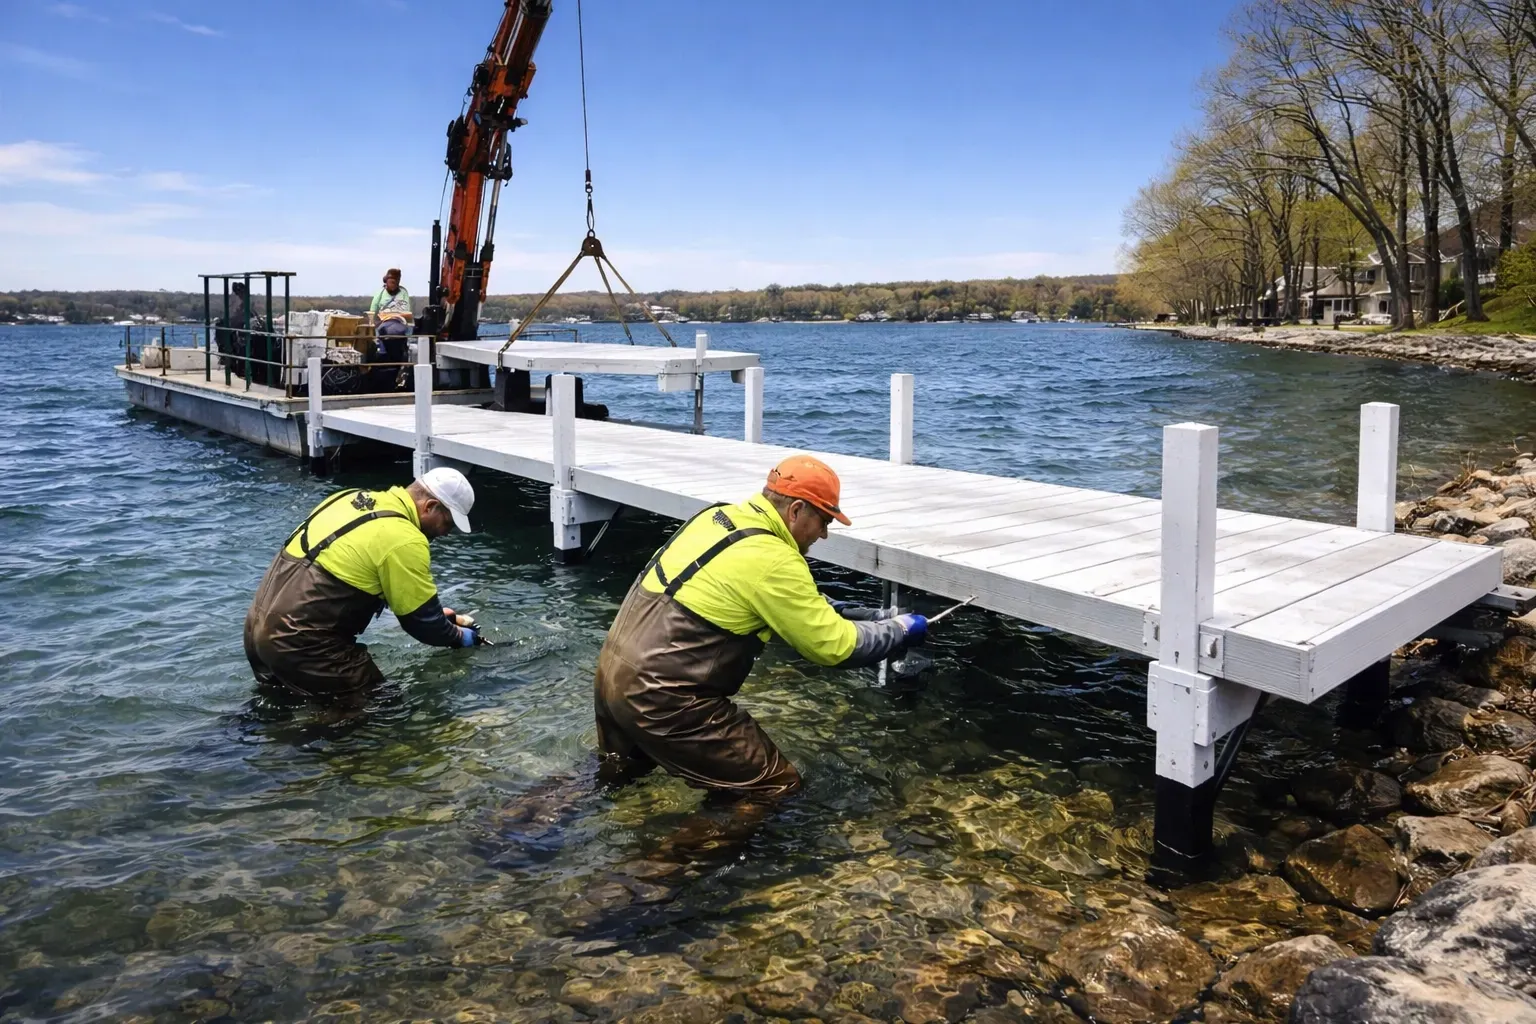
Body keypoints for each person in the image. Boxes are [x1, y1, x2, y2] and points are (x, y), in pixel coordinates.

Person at [594, 454, 927, 803]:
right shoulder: (775, 557)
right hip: (661, 698)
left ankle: (538, 821)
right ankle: (669, 859)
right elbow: (835, 646)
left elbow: (754, 592)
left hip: (612, 675)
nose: (825, 534)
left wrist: (847, 610)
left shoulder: (716, 516)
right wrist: (903, 629)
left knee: (619, 771)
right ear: (796, 511)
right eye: (824, 521)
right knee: (772, 787)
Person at [244, 467, 481, 702]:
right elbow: (423, 625)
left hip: (257, 628)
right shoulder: (405, 538)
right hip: (301, 644)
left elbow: (353, 573)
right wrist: (459, 637)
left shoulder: (348, 498)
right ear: (430, 507)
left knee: (277, 711)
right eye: (448, 524)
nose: (447, 534)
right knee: (375, 710)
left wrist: (438, 615)